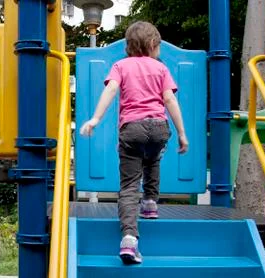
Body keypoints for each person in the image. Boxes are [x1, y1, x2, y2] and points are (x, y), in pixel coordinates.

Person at [79, 21, 189, 264]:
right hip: (159, 128)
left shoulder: (120, 66)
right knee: (153, 159)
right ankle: (150, 203)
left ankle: (129, 238)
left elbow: (111, 91)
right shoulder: (160, 69)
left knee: (129, 185)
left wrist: (96, 119)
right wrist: (181, 133)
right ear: (152, 45)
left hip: (132, 129)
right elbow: (170, 100)